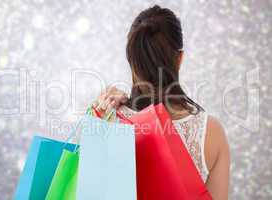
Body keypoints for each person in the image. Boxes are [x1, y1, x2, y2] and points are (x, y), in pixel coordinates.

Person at [93, 5, 230, 200]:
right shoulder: (212, 133)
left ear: (131, 60)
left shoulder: (106, 118)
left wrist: (96, 119)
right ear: (179, 59)